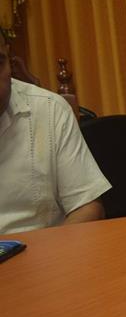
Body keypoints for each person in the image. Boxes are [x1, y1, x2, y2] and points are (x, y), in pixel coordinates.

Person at [0, 41, 110, 233]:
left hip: (41, 246)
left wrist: (54, 251)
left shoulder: (49, 109)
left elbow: (87, 207)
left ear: (10, 61)